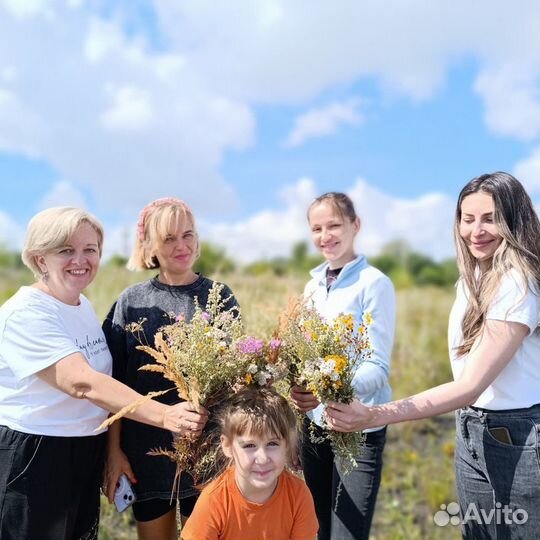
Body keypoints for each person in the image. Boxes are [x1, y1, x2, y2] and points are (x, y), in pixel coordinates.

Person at [326, 172, 540, 540]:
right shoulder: (473, 276)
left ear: (514, 219)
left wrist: (377, 414)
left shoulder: (517, 284)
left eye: (490, 218)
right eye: (467, 219)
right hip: (472, 429)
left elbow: (469, 385)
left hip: (517, 440)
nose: (476, 230)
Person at [0, 207, 201, 540]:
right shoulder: (25, 313)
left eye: (90, 249)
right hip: (36, 458)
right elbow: (81, 382)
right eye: (66, 250)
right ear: (39, 260)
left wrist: (108, 452)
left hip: (81, 454)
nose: (81, 259)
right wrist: (167, 417)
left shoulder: (80, 306)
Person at [102, 197, 238, 540]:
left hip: (208, 448)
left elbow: (236, 377)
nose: (182, 246)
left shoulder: (219, 297)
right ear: (149, 245)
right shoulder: (131, 302)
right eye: (169, 239)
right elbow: (114, 385)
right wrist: (114, 451)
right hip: (145, 451)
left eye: (188, 235)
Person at [290, 192, 396, 540]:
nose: (326, 236)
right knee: (316, 529)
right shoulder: (312, 286)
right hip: (315, 428)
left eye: (334, 225)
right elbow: (307, 356)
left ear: (356, 225)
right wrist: (300, 388)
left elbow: (377, 367)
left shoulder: (374, 284)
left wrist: (327, 389)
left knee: (347, 534)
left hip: (359, 427)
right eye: (317, 228)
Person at [181, 387, 318, 540]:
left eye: (272, 444)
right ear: (227, 446)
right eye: (249, 446)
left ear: (287, 445)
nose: (263, 458)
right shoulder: (214, 500)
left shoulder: (298, 494)